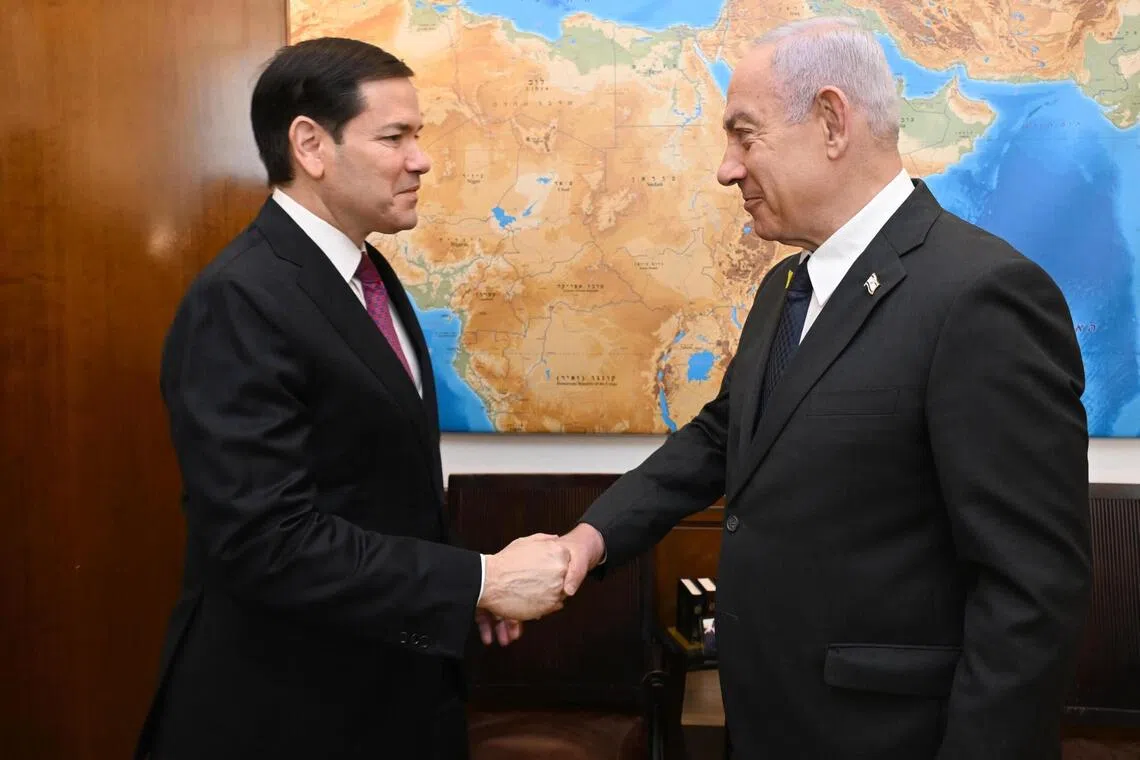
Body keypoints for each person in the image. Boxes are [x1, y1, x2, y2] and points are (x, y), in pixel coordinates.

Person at [558, 17, 1092, 759]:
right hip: (771, 719)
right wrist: (589, 539)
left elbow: (1031, 589)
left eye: (744, 136)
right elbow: (726, 433)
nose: (726, 169)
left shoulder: (981, 295)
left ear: (832, 121)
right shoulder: (787, 286)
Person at [135, 37, 569, 760]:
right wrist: (478, 581)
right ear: (310, 145)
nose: (420, 159)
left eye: (417, 136)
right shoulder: (240, 298)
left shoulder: (365, 274)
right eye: (394, 137)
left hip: (383, 690)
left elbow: (368, 486)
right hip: (287, 711)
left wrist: (459, 594)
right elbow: (264, 541)